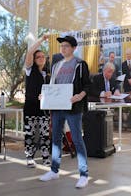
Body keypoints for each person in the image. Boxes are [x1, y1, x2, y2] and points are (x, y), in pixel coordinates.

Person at [39, 35, 91, 189]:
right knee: (55, 138)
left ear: (74, 48)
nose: (63, 48)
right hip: (57, 108)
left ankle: (84, 175)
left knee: (77, 139)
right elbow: (52, 86)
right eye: (62, 46)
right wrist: (45, 96)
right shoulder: (56, 66)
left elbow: (87, 86)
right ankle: (54, 171)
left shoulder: (80, 64)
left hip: (73, 107)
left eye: (66, 46)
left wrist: (79, 96)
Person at [24, 34, 51, 168]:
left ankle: (46, 157)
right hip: (30, 108)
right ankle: (29, 157)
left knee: (45, 134)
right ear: (34, 60)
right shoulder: (29, 70)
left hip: (44, 109)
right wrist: (41, 40)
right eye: (38, 57)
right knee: (30, 134)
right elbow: (29, 52)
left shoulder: (48, 74)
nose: (41, 58)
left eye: (43, 56)